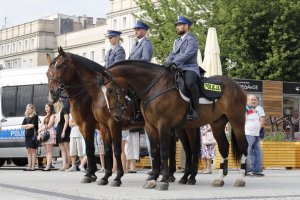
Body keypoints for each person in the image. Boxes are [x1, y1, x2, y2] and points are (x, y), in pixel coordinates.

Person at [164, 16, 201, 120]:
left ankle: (195, 109)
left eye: (179, 25)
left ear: (186, 26)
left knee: (189, 83)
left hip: (189, 68)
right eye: (177, 25)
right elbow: (172, 54)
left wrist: (174, 62)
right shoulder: (177, 41)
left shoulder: (192, 39)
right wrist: (166, 63)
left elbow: (188, 54)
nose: (177, 27)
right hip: (177, 68)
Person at [245, 94, 265, 176]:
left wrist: (257, 130)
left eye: (255, 99)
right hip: (247, 134)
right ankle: (245, 170)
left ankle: (256, 170)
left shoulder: (259, 108)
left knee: (258, 152)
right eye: (251, 99)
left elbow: (262, 120)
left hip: (256, 134)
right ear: (247, 100)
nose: (253, 101)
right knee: (247, 152)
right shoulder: (244, 108)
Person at [37, 103, 56, 171]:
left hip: (49, 134)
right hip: (43, 134)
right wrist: (39, 133)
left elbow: (49, 125)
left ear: (51, 108)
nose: (46, 108)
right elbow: (41, 125)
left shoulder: (52, 116)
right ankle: (48, 165)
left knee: (49, 151)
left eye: (48, 107)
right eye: (45, 107)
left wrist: (41, 129)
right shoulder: (45, 116)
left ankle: (48, 166)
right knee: (47, 151)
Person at [21, 103, 39, 171]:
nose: (27, 110)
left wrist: (27, 126)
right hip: (27, 135)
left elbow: (33, 125)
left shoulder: (35, 116)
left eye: (29, 109)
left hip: (33, 135)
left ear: (32, 109)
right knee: (28, 151)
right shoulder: (26, 117)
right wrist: (28, 125)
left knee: (33, 151)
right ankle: (29, 166)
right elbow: (22, 126)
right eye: (27, 109)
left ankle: (33, 166)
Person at [54, 101, 71, 171]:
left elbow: (66, 121)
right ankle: (64, 165)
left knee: (67, 149)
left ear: (59, 103)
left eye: (55, 103)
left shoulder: (64, 109)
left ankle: (68, 164)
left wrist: (63, 131)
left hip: (64, 130)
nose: (54, 104)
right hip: (59, 130)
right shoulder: (58, 112)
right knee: (62, 149)